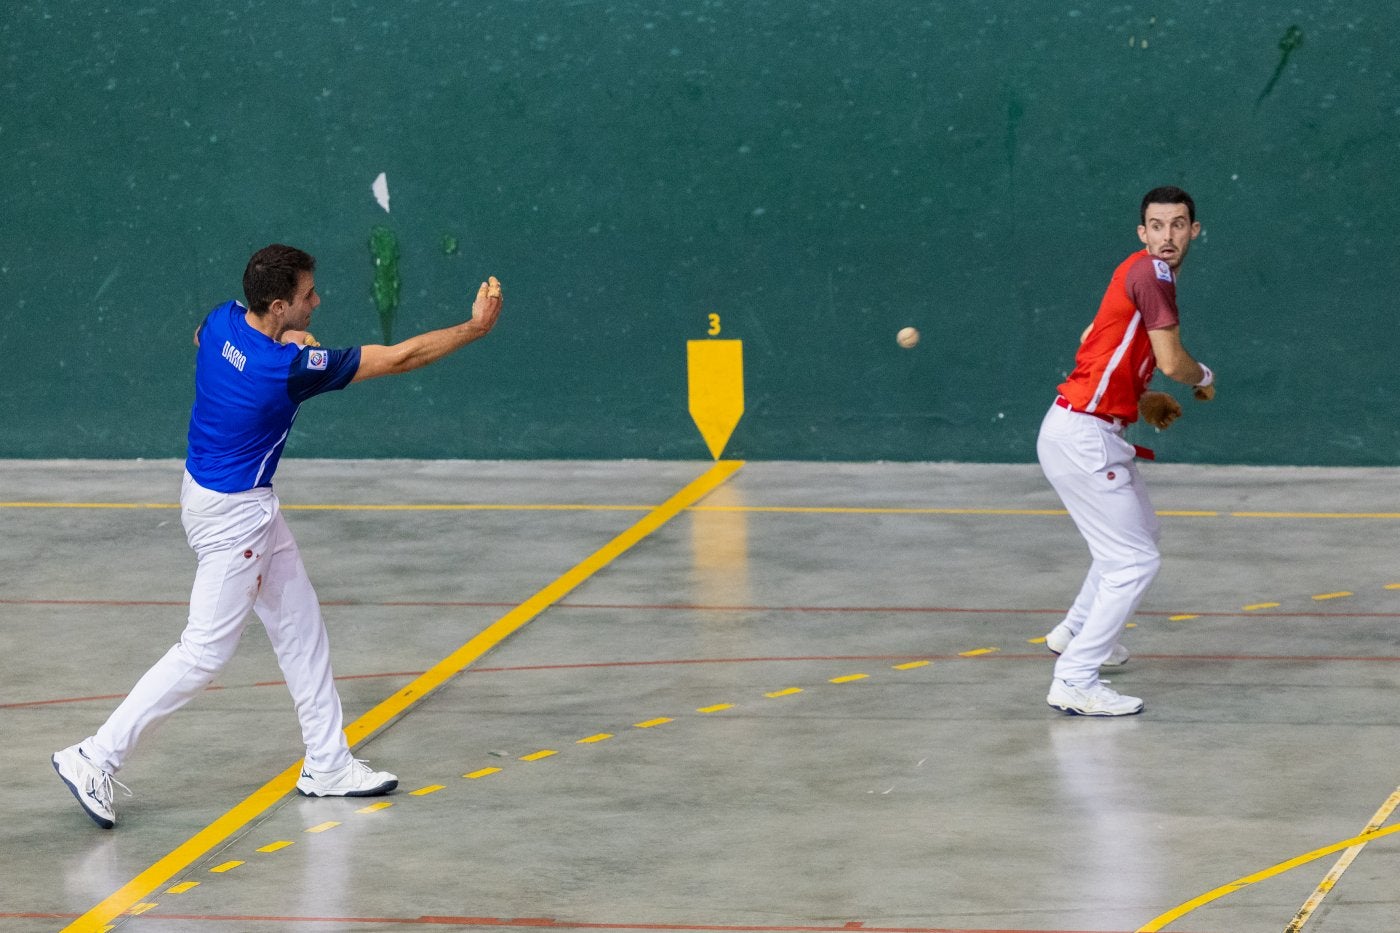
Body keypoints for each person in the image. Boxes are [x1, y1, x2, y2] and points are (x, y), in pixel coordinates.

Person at [53, 244, 503, 827]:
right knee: (203, 651)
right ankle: (95, 756)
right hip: (235, 518)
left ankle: (328, 764)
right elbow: (398, 358)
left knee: (300, 625)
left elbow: (205, 341)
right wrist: (474, 327)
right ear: (277, 303)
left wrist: (281, 338)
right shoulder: (286, 372)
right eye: (307, 296)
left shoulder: (222, 320)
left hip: (219, 496)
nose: (317, 301)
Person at [1037, 186, 1215, 717]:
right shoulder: (1152, 274)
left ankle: (1074, 632)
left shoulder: (1135, 275)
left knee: (1137, 537)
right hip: (1083, 437)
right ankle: (1074, 678)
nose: (1168, 237)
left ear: (1193, 231)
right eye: (1157, 226)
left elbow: (1095, 342)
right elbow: (1172, 360)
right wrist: (1203, 378)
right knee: (1135, 561)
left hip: (1090, 431)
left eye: (1178, 225)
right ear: (1143, 234)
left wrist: (1141, 398)